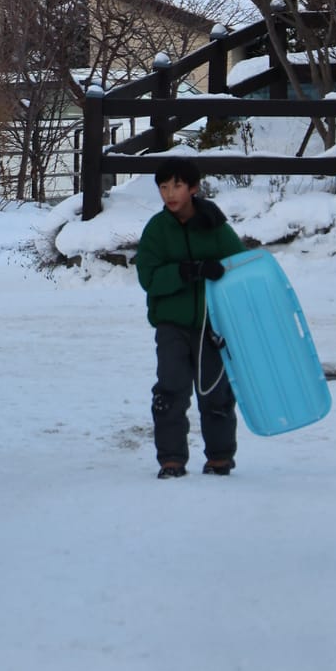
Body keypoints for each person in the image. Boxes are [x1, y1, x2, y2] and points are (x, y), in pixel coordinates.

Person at [134, 162, 243, 479]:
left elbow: (238, 267)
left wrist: (219, 271)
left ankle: (220, 458)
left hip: (213, 325)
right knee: (170, 391)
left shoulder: (214, 226)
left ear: (193, 188)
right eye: (164, 187)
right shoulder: (157, 230)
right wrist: (187, 271)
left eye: (177, 186)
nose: (170, 193)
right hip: (172, 325)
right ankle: (171, 460)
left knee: (216, 393)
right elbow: (149, 278)